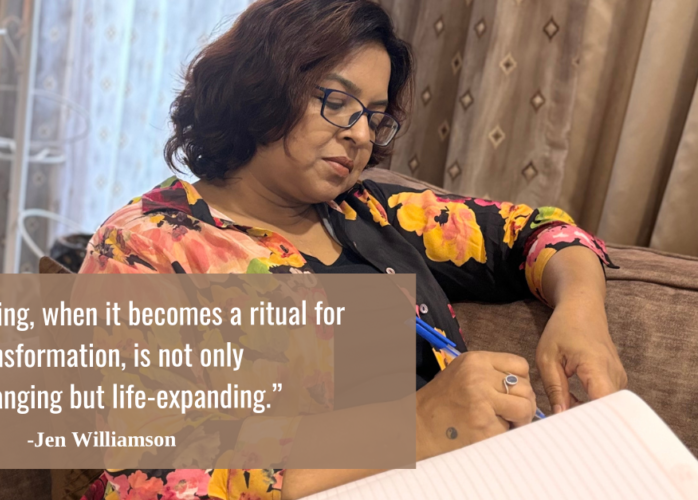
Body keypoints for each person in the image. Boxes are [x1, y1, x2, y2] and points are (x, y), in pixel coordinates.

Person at [76, 0, 628, 498]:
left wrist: (581, 315)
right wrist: (414, 425)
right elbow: (148, 475)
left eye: (375, 116)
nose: (362, 135)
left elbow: (539, 231)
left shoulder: (375, 210)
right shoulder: (144, 245)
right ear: (260, 86)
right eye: (339, 102)